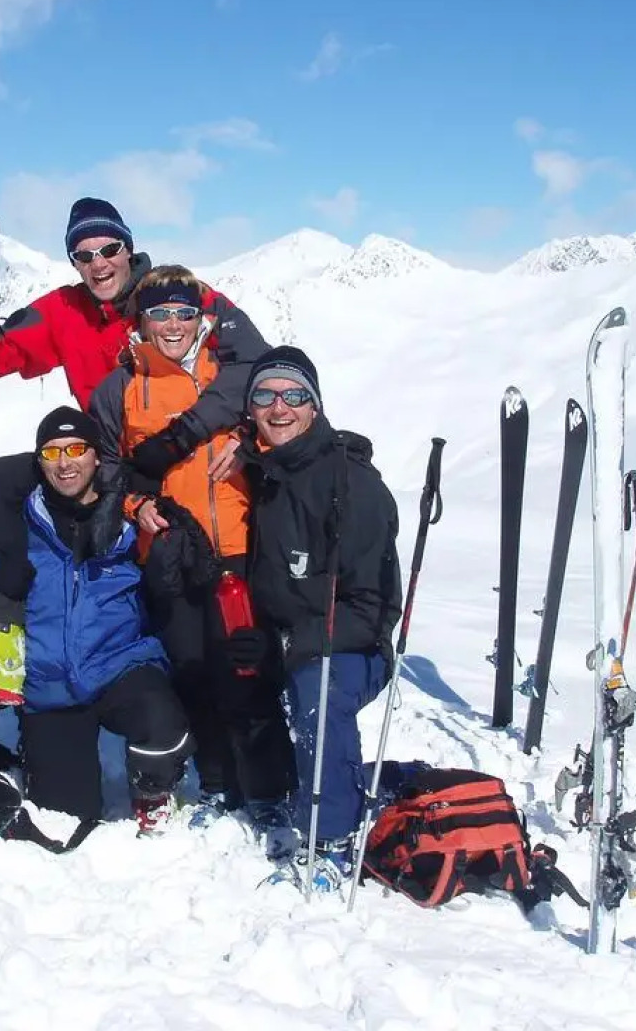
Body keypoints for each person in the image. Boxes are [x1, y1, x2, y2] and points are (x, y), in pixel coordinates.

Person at [0, 198, 271, 684]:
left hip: (187, 456)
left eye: (109, 249)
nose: (98, 264)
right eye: (84, 255)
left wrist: (197, 433)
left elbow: (260, 365)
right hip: (107, 460)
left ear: (128, 249)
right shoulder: (64, 310)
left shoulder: (173, 297)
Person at [88, 265, 296, 854]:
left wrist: (247, 445)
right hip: (170, 556)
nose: (174, 325)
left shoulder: (231, 375)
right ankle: (217, 782)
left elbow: (281, 426)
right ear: (142, 322)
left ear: (201, 319)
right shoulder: (118, 389)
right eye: (161, 314)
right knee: (193, 671)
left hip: (240, 549)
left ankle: (268, 790)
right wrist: (136, 506)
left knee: (248, 672)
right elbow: (106, 472)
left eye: (184, 313)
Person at [0, 406, 191, 836]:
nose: (65, 463)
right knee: (64, 811)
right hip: (48, 685)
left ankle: (152, 794)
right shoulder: (15, 519)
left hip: (120, 666)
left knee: (161, 722)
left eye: (76, 449)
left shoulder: (128, 518)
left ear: (96, 457)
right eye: (52, 452)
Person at [237, 346, 402, 887]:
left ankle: (332, 835)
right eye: (265, 395)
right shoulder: (263, 470)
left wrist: (288, 645)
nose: (279, 407)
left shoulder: (352, 487)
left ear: (314, 406)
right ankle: (273, 789)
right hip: (287, 635)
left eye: (293, 395)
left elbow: (372, 609)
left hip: (352, 646)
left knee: (318, 693)